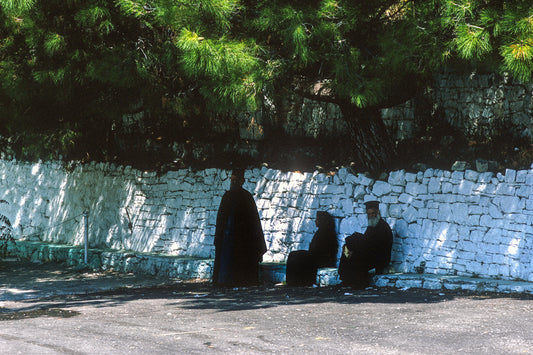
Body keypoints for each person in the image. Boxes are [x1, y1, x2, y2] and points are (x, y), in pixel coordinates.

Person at [213, 168, 267, 287]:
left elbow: (254, 223)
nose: (233, 182)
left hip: (243, 240)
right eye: (232, 180)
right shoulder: (226, 197)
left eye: (236, 180)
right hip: (227, 239)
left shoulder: (246, 197)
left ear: (242, 181)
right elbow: (220, 220)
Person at [338, 201, 393, 288]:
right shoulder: (372, 225)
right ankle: (346, 280)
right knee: (347, 250)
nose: (371, 216)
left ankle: (358, 282)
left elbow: (377, 246)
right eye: (369, 214)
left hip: (379, 257)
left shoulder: (383, 227)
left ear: (378, 213)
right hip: (369, 253)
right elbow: (366, 241)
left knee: (356, 256)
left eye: (373, 213)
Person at [285, 211, 338, 286]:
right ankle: (292, 281)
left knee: (296, 256)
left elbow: (323, 251)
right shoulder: (321, 231)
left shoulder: (326, 233)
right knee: (293, 254)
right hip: (315, 256)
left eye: (318, 219)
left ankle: (294, 281)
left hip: (321, 259)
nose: (315, 221)